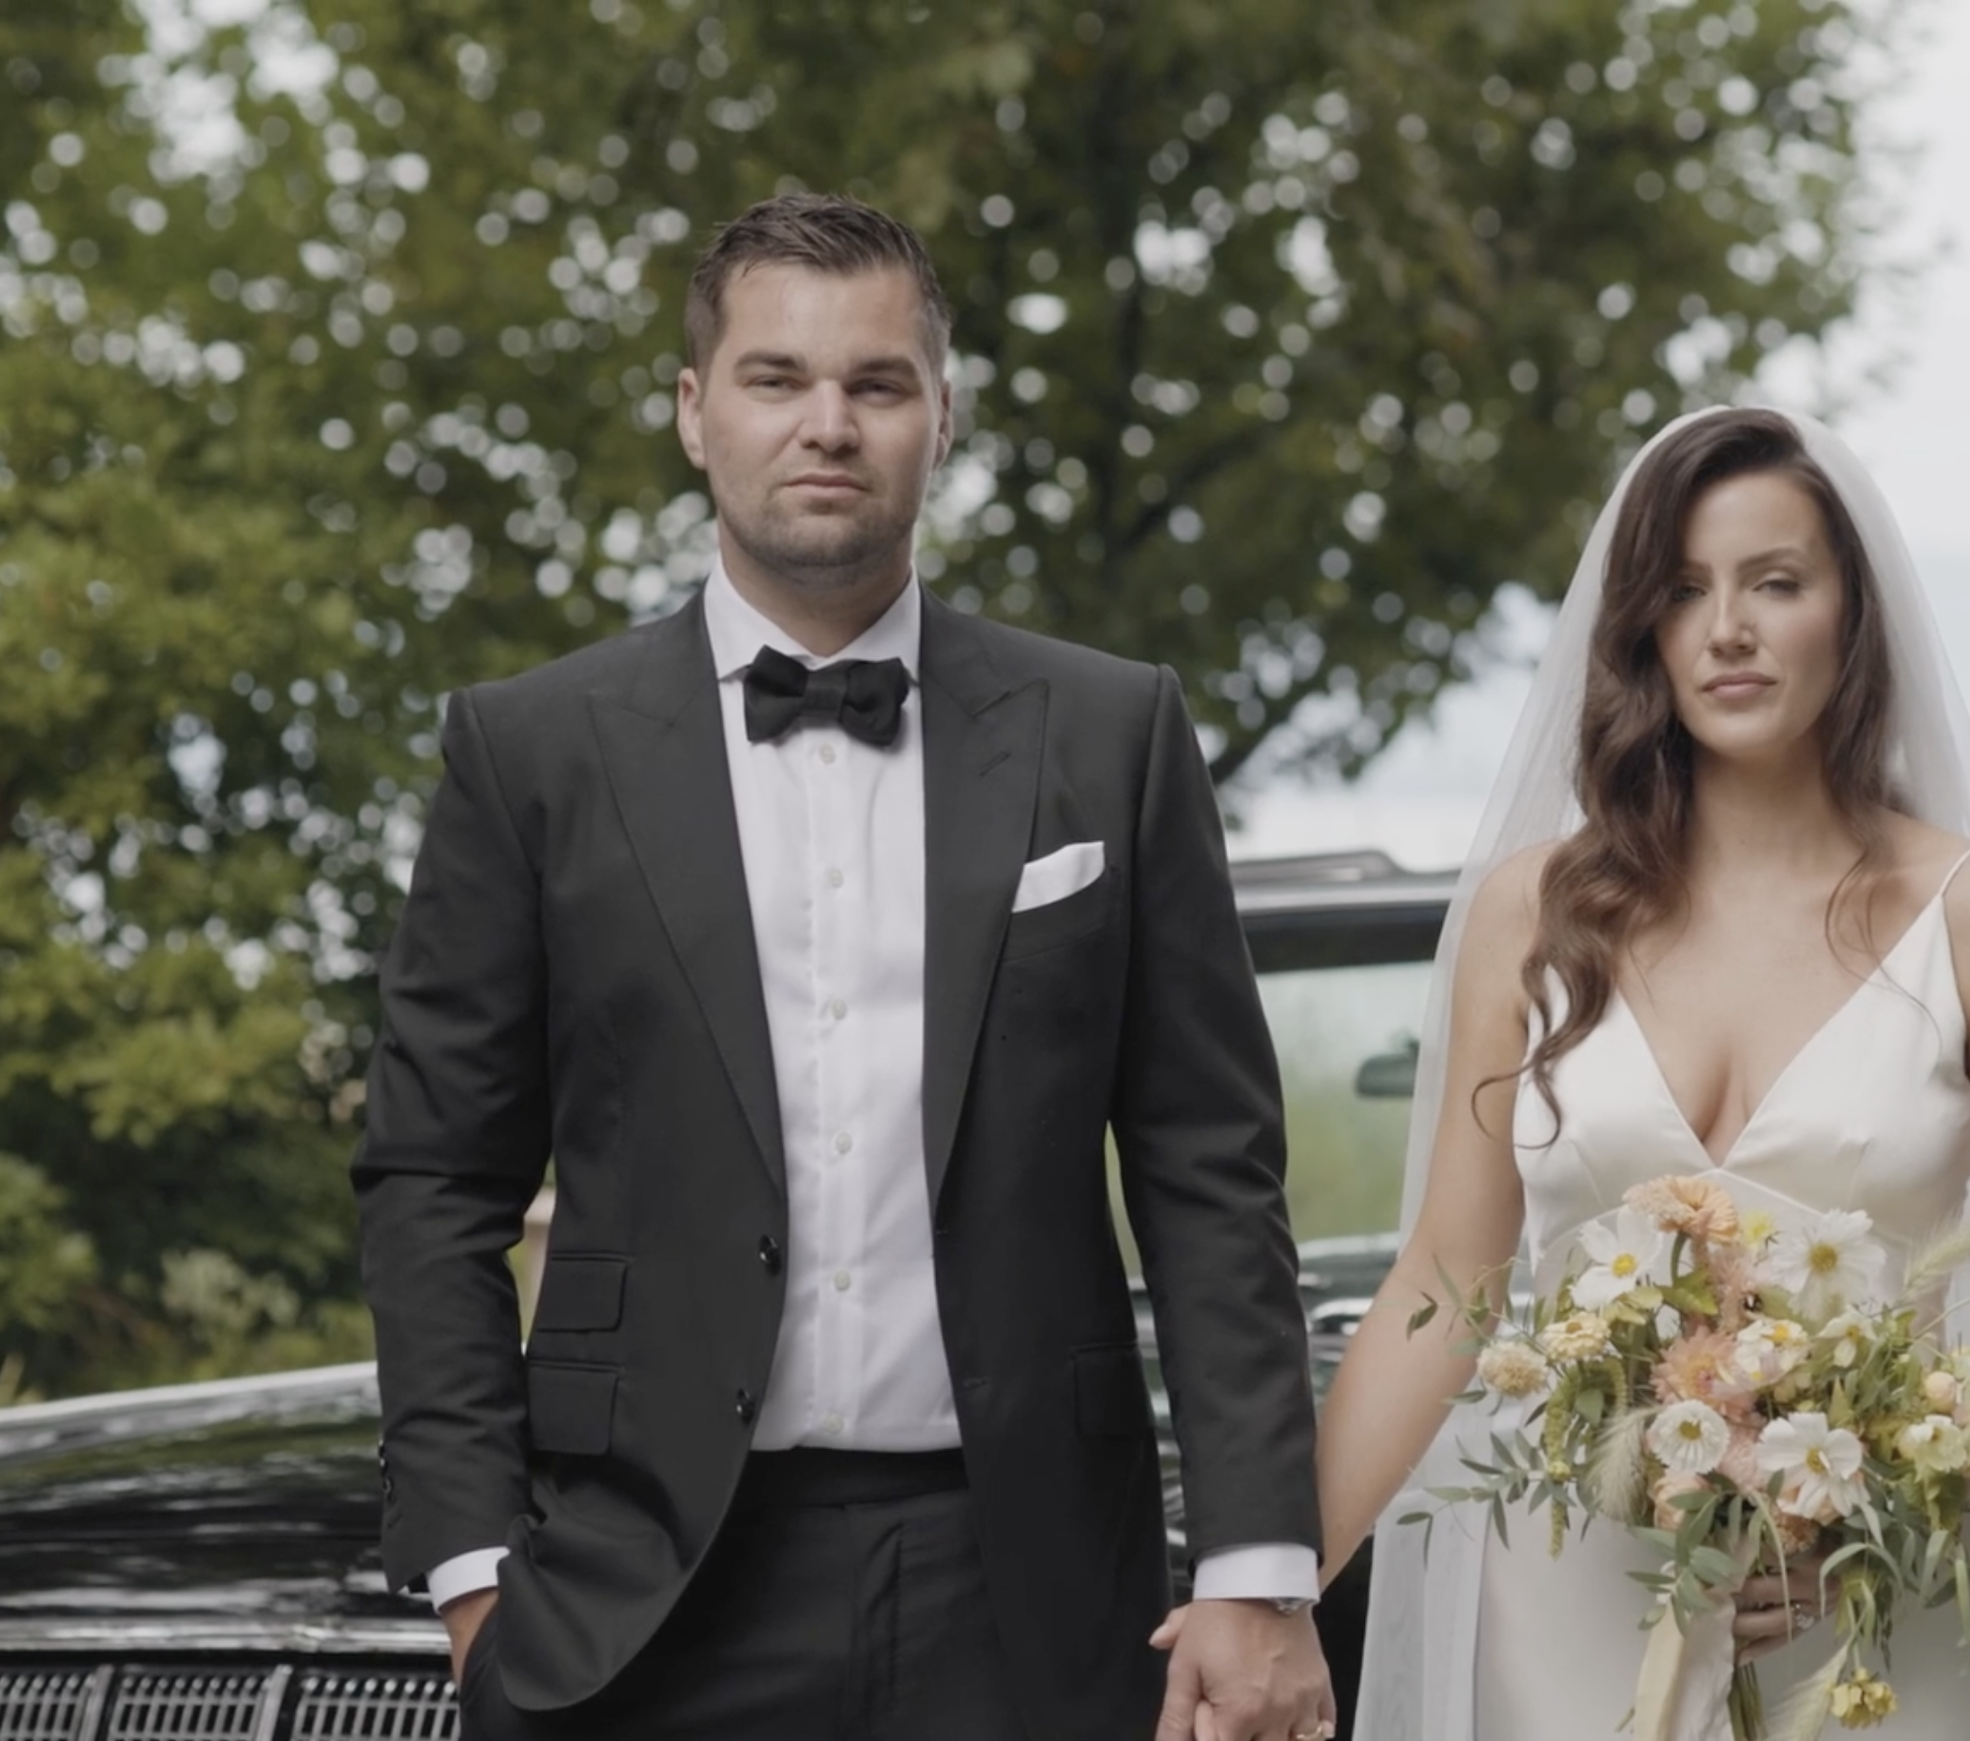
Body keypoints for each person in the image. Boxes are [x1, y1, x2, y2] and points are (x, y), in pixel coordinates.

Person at [352, 192, 1334, 1741]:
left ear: (941, 417)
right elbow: (432, 1180)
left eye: (877, 385)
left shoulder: (1112, 734)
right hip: (636, 1603)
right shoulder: (529, 752)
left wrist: (1260, 1567)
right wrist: (476, 1567)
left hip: (1029, 1598)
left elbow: (1212, 1172)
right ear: (694, 412)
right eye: (775, 380)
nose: (829, 425)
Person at [1313, 407, 1970, 1739]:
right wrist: (1278, 1594)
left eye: (1776, 583)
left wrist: (1864, 1500)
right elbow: (1448, 1280)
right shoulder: (1530, 913)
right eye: (1684, 591)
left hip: (1880, 1611)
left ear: (1850, 617)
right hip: (1575, 1602)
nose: (1728, 629)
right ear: (1640, 628)